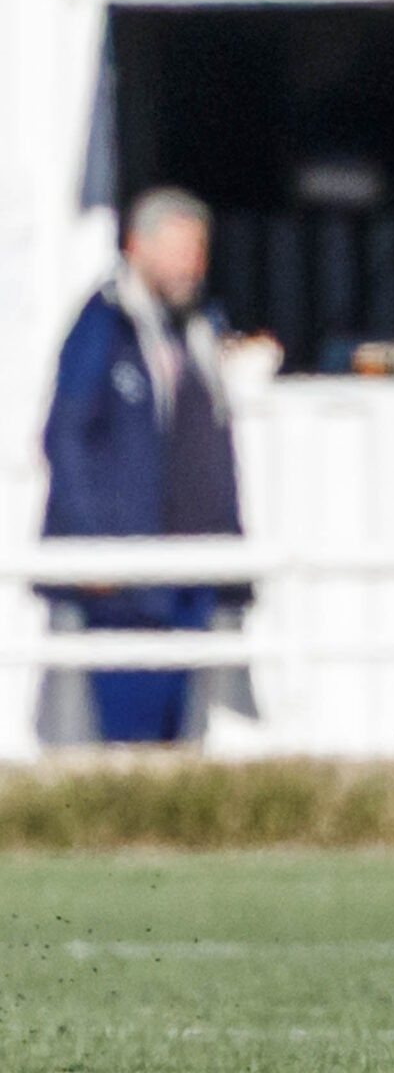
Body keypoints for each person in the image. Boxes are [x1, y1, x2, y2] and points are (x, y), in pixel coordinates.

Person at [39, 189, 253, 743]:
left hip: (189, 567)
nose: (193, 266)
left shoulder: (196, 327)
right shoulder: (104, 325)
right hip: (126, 578)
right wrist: (93, 549)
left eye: (198, 251)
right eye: (180, 250)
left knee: (181, 739)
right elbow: (65, 437)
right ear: (138, 247)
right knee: (126, 737)